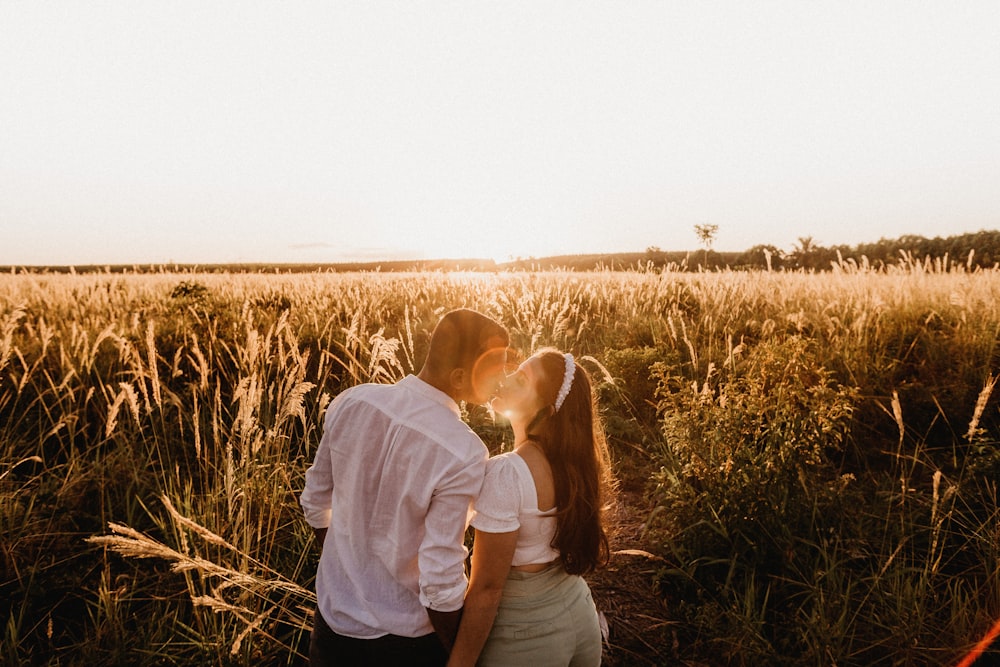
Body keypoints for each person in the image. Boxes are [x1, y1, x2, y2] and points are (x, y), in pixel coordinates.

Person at [300, 309, 510, 666]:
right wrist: (456, 654)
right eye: (494, 370)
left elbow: (315, 503)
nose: (503, 379)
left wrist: (351, 566)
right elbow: (440, 579)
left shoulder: (352, 401)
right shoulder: (463, 451)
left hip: (331, 628)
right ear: (459, 377)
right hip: (405, 645)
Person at [447, 349, 614, 667]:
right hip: (580, 617)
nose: (505, 379)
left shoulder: (507, 472)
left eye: (521, 379)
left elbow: (486, 588)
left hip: (526, 639)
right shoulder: (575, 466)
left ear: (547, 411)